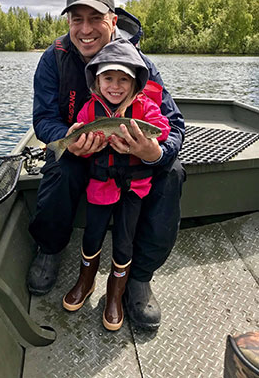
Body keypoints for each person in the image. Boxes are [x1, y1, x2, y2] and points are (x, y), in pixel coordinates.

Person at [28, 0, 185, 330]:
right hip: (81, 149)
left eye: (94, 18)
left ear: (112, 21)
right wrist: (64, 136)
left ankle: (139, 278)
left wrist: (154, 151)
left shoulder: (137, 62)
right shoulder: (53, 58)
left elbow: (172, 124)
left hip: (130, 164)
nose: (84, 30)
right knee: (59, 167)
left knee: (171, 172)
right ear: (68, 23)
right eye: (76, 20)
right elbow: (43, 119)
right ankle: (50, 249)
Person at [62, 38, 171, 331]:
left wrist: (146, 143)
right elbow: (80, 137)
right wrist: (79, 143)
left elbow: (162, 131)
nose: (115, 85)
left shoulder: (146, 108)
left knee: (124, 243)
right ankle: (85, 282)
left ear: (135, 82)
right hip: (99, 187)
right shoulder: (89, 110)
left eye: (124, 79)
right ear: (97, 80)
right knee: (91, 237)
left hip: (133, 191)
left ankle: (115, 293)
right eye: (108, 78)